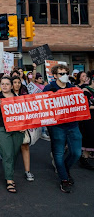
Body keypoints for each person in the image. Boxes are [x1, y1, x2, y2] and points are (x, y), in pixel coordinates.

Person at [43, 64, 81, 193]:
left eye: (66, 73)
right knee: (58, 154)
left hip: (73, 125)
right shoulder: (49, 88)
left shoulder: (73, 88)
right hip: (57, 127)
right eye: (61, 74)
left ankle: (64, 168)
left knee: (76, 153)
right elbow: (43, 106)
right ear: (54, 76)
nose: (64, 76)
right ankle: (64, 179)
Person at [0, 76, 24, 193]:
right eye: (2, 84)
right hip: (0, 129)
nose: (4, 86)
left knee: (14, 153)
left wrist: (24, 126)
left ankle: (9, 172)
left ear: (12, 86)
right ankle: (9, 180)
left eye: (7, 84)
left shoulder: (19, 98)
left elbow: (25, 114)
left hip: (17, 130)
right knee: (7, 154)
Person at [75, 71, 94, 170]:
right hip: (88, 118)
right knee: (89, 137)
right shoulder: (86, 90)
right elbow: (86, 105)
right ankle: (84, 159)